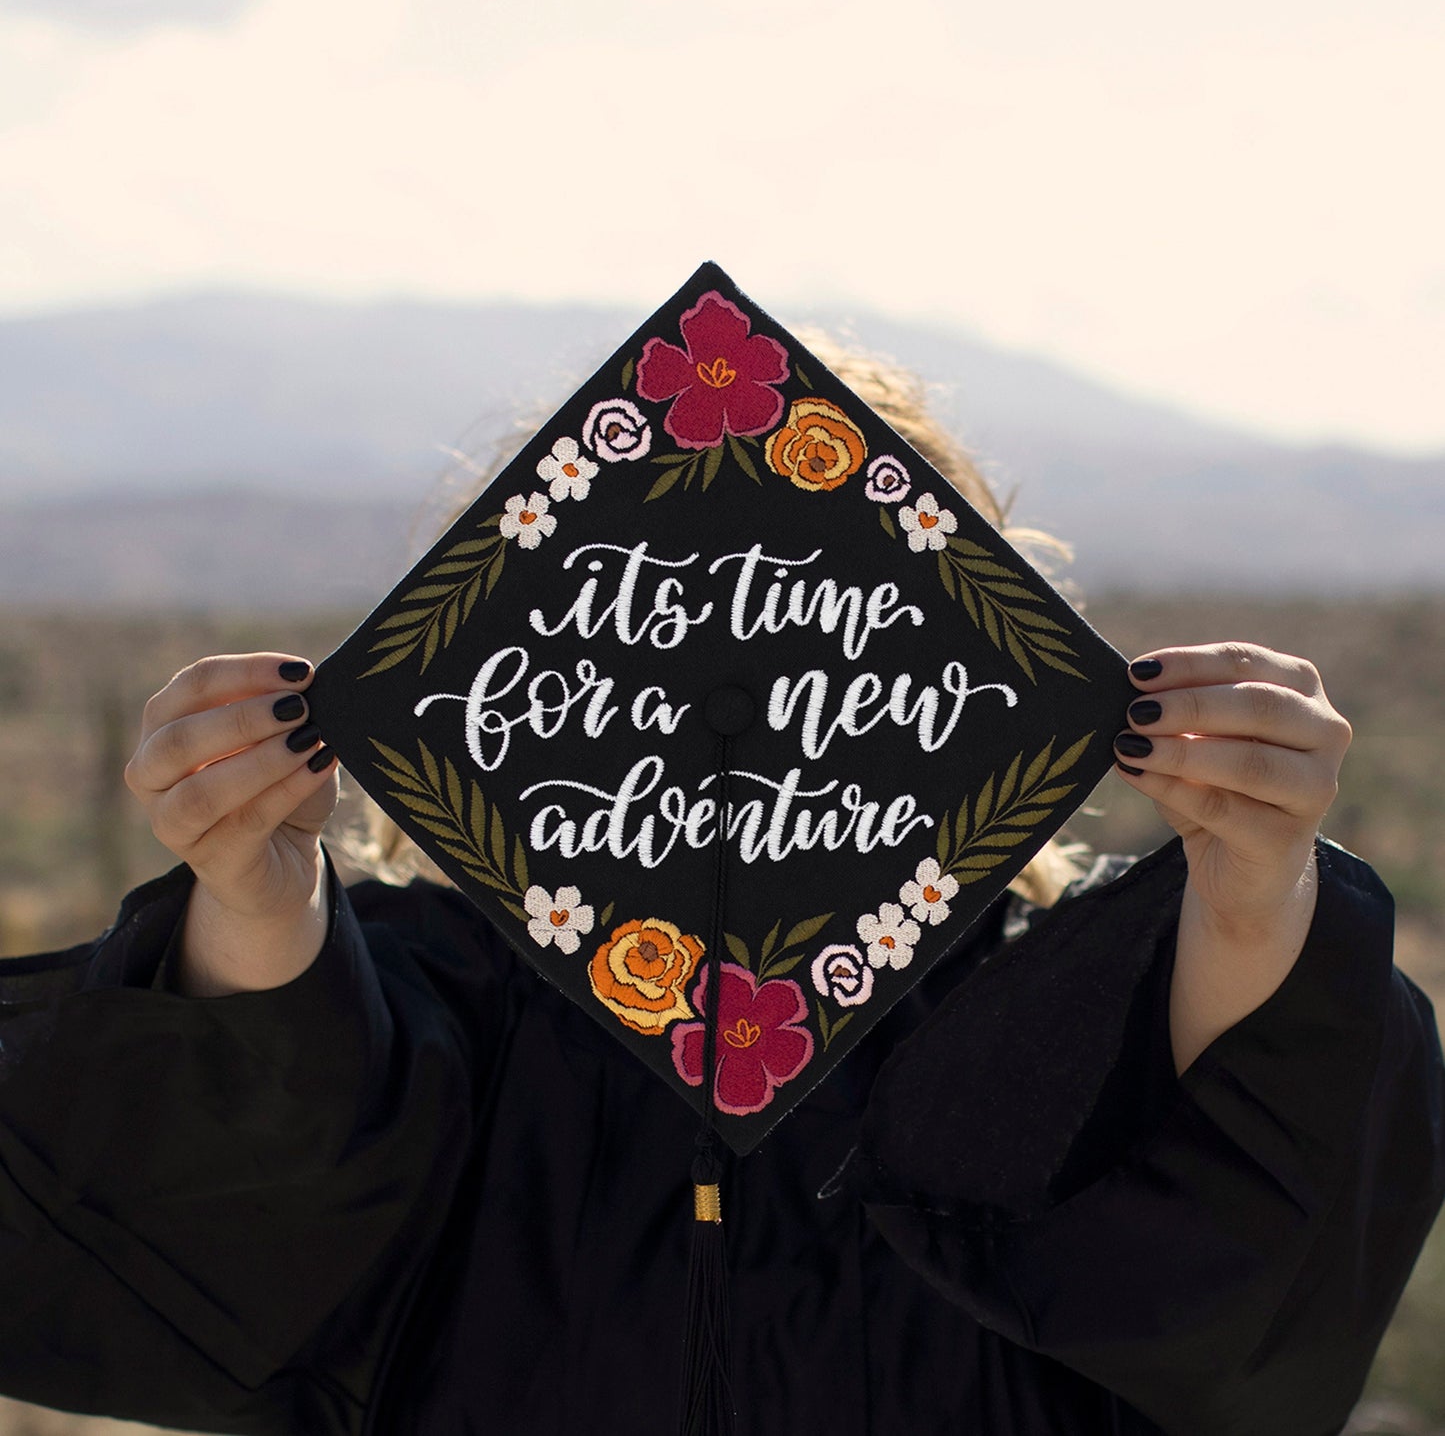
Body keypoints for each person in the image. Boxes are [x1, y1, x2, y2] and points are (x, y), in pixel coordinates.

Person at [0, 348, 1441, 1436]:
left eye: (815, 612)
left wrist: (1253, 875)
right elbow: (288, 1146)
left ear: (949, 672)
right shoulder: (466, 1002)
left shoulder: (1038, 1006)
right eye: (676, 618)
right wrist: (252, 889)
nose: (738, 693)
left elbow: (1243, 1217)